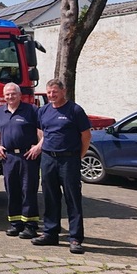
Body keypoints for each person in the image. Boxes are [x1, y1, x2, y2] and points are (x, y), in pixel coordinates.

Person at [32, 79, 91, 255]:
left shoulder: (75, 110)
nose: (51, 95)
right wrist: (43, 145)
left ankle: (75, 238)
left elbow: (86, 136)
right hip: (48, 159)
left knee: (72, 199)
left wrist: (78, 156)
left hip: (69, 160)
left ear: (63, 91)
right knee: (50, 197)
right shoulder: (44, 110)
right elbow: (41, 130)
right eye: (49, 92)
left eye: (55, 92)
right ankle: (50, 233)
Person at [0, 83, 42, 239]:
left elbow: (43, 130)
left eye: (13, 93)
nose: (10, 96)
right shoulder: (0, 112)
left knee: (28, 190)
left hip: (28, 156)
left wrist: (39, 146)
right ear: (3, 96)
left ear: (20, 95)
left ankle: (30, 226)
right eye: (7, 94)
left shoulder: (31, 110)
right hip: (9, 157)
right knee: (12, 190)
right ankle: (15, 223)